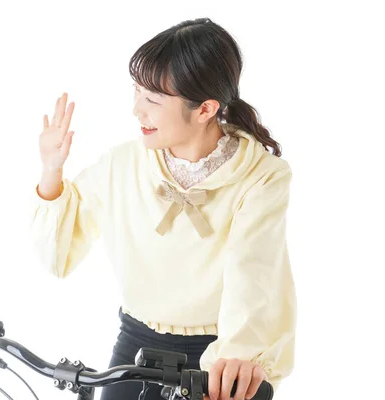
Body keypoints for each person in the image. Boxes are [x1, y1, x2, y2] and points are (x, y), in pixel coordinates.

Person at [30, 18, 296, 400]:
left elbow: (254, 272)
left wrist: (236, 357)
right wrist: (51, 171)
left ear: (205, 109)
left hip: (218, 353)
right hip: (136, 342)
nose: (137, 110)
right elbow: (56, 257)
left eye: (153, 100)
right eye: (137, 92)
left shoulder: (261, 176)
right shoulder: (122, 164)